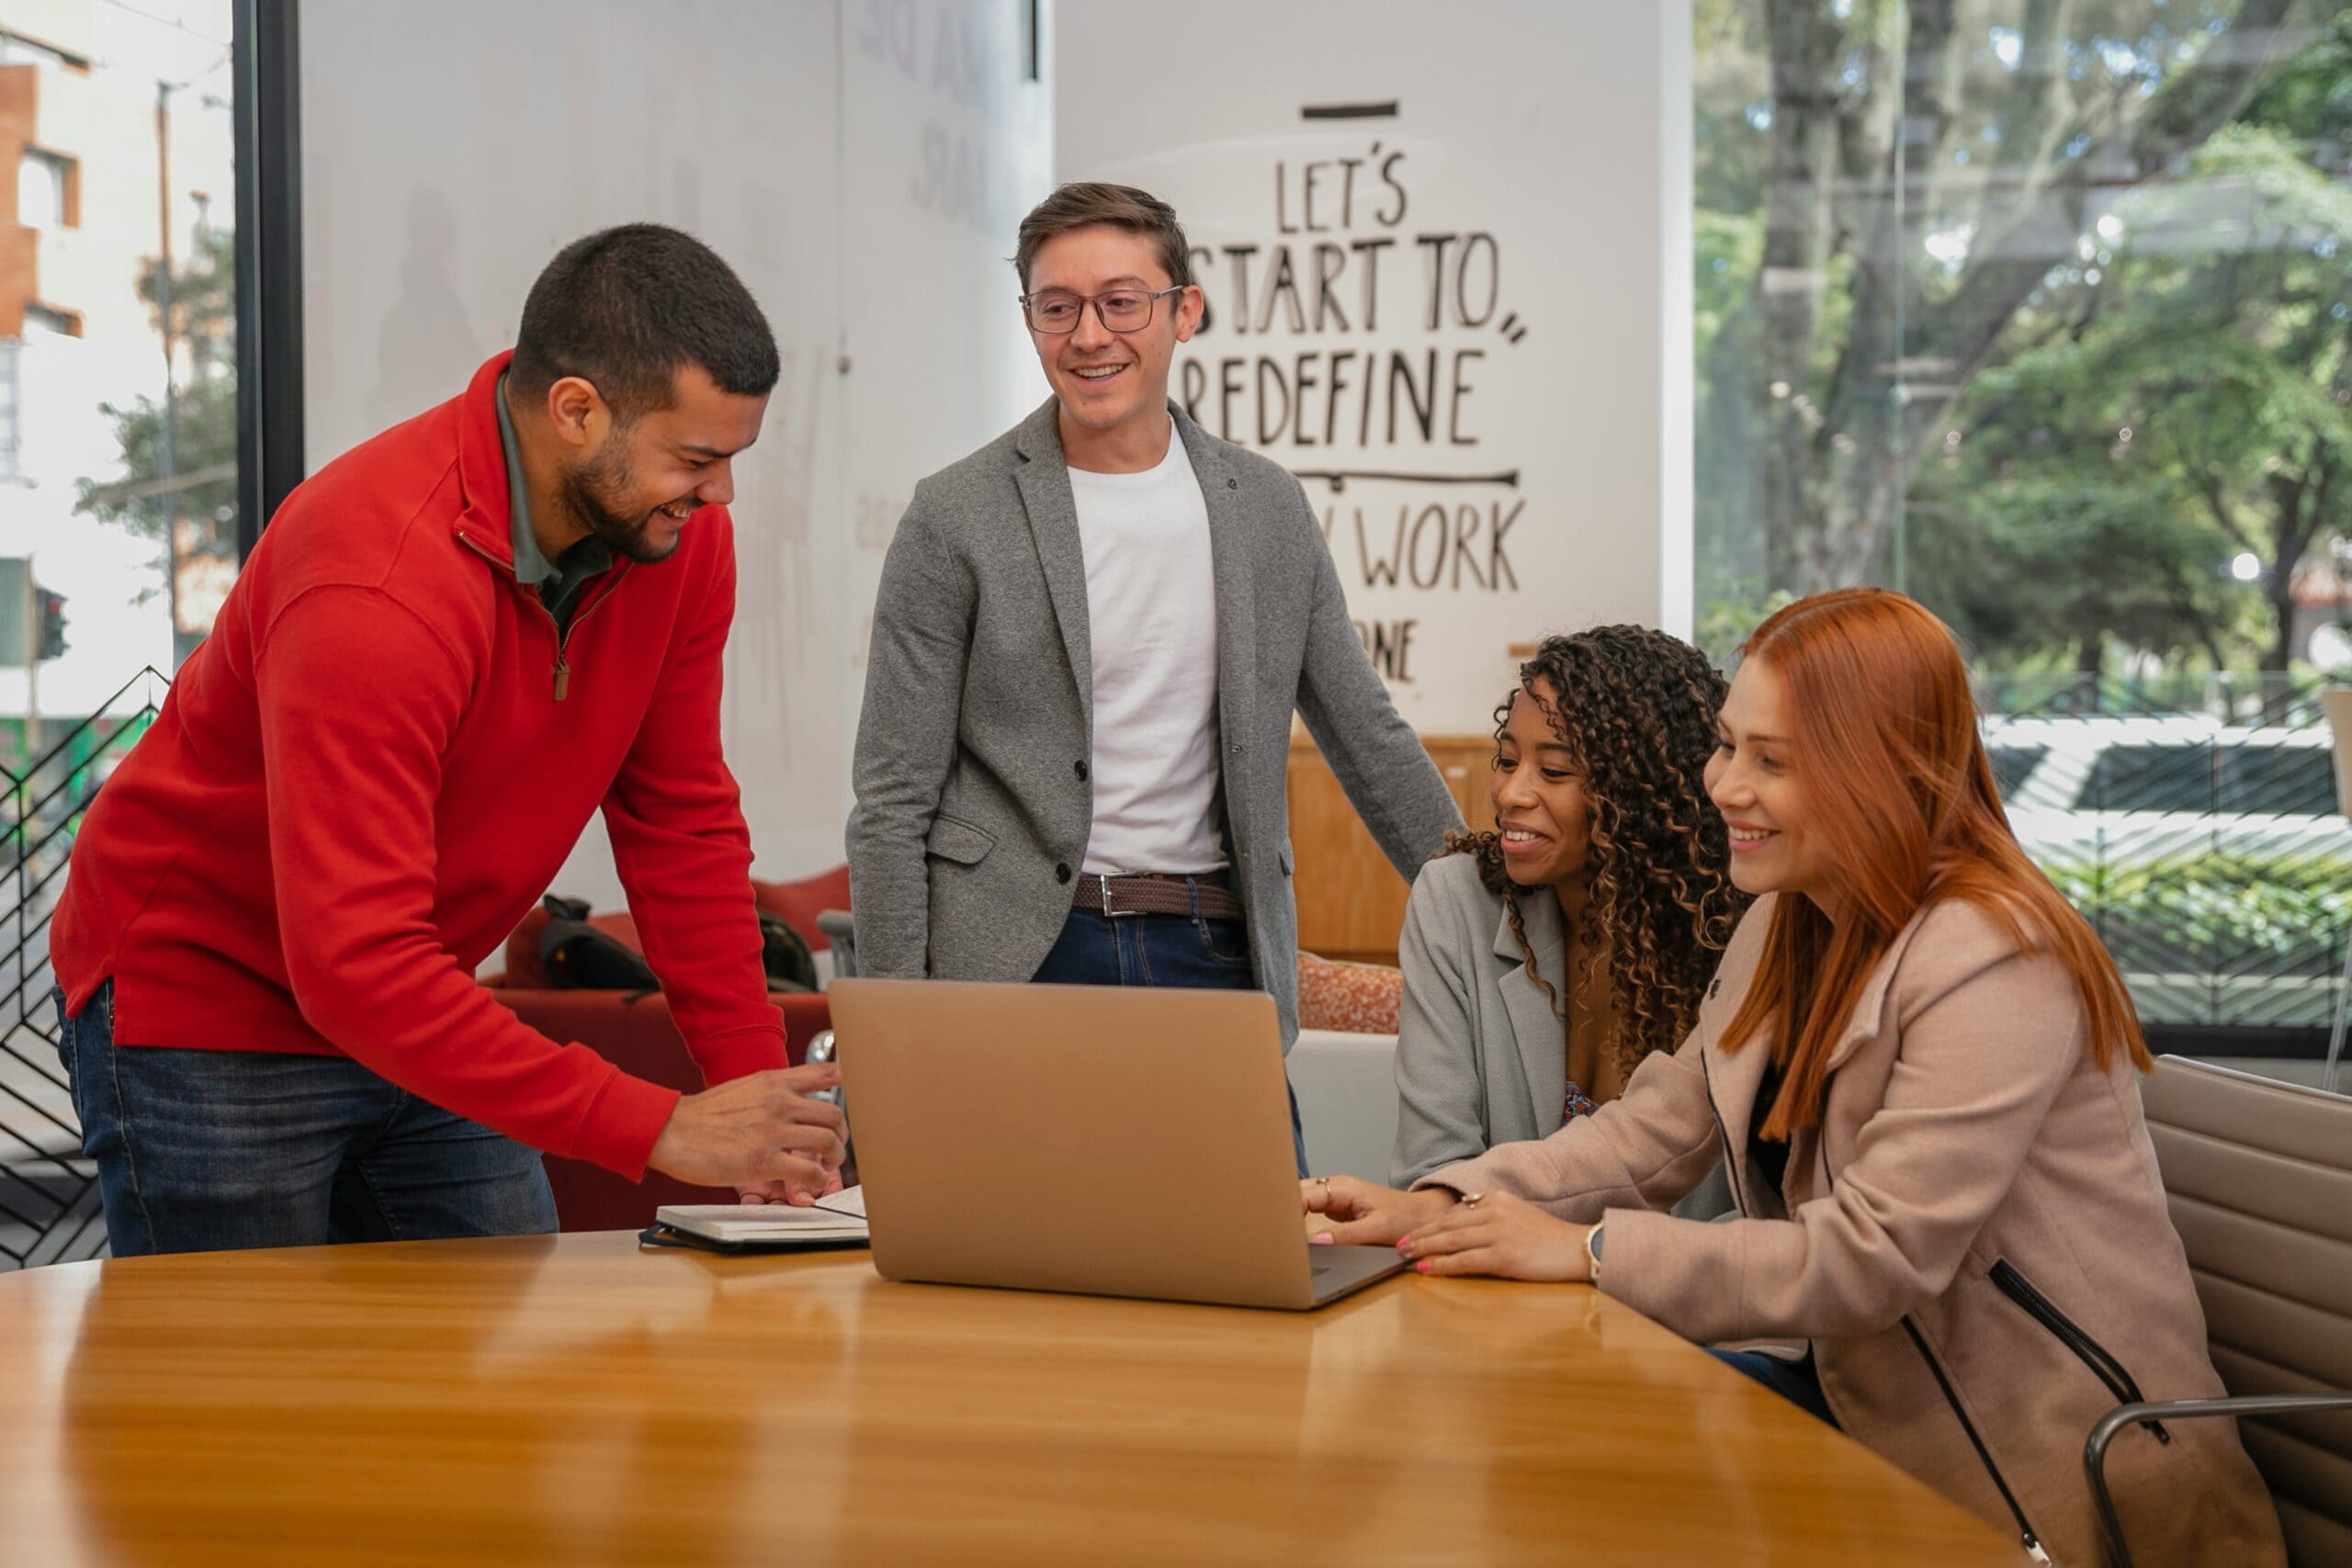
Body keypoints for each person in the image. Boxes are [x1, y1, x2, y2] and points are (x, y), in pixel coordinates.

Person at [1305, 588, 2284, 1566]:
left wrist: (1592, 1250)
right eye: (1728, 746)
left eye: (1769, 761)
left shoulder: (1992, 953)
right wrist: (1436, 1201)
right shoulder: (1796, 914)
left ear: (1877, 770)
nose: (1722, 785)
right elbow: (1658, 1130)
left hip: (2045, 1487)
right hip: (1868, 1410)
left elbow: (1871, 1257)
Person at [50, 224, 846, 1257]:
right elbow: (353, 963)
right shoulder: (372, 580)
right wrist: (661, 1126)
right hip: (210, 1009)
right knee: (245, 1397)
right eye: (694, 458)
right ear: (575, 411)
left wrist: (751, 1104)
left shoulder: (676, 543)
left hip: (414, 999)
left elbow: (679, 821)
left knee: (499, 1386)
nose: (719, 495)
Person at [848, 183, 1460, 1169]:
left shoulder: (1263, 507)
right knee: (1016, 1279)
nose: (1090, 334)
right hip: (1014, 957)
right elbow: (890, 798)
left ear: (1184, 310)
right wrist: (890, 1038)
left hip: (1210, 951)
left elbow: (1366, 733)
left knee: (1254, 1270)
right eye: (1058, 306)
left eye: (1121, 300)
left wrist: (1490, 906)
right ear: (1031, 321)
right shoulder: (953, 516)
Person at [1392, 627, 1746, 1185]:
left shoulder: (1737, 935)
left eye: (1554, 771)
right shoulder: (1456, 903)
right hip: (1487, 1266)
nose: (1511, 794)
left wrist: (1593, 1252)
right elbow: (1434, 1170)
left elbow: (1763, 1217)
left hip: (1674, 1271)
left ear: (1640, 794)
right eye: (1507, 761)